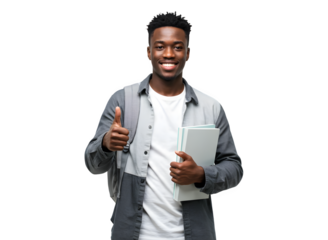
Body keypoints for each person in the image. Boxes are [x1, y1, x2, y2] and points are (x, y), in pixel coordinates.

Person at [83, 10, 244, 240]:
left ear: (188, 54)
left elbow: (235, 169)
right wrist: (106, 145)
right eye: (160, 46)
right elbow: (92, 165)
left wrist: (200, 175)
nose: (168, 54)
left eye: (178, 47)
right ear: (148, 52)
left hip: (195, 234)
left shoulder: (212, 107)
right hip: (132, 234)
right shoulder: (122, 100)